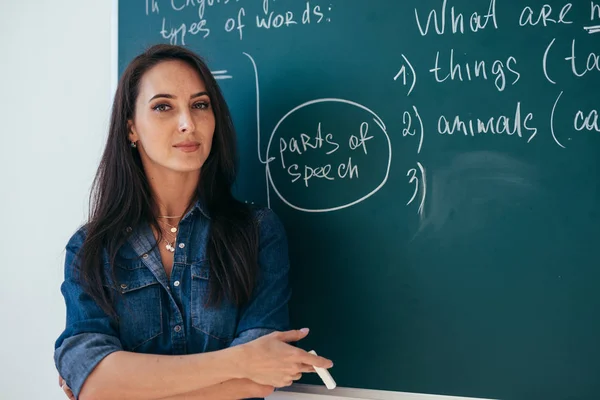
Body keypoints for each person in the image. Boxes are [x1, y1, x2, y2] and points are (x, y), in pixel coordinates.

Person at [54, 43, 333, 400]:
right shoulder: (91, 247)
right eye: (163, 107)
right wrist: (241, 360)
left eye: (200, 105)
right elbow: (93, 379)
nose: (188, 123)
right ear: (130, 129)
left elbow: (260, 380)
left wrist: (119, 385)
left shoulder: (257, 231)